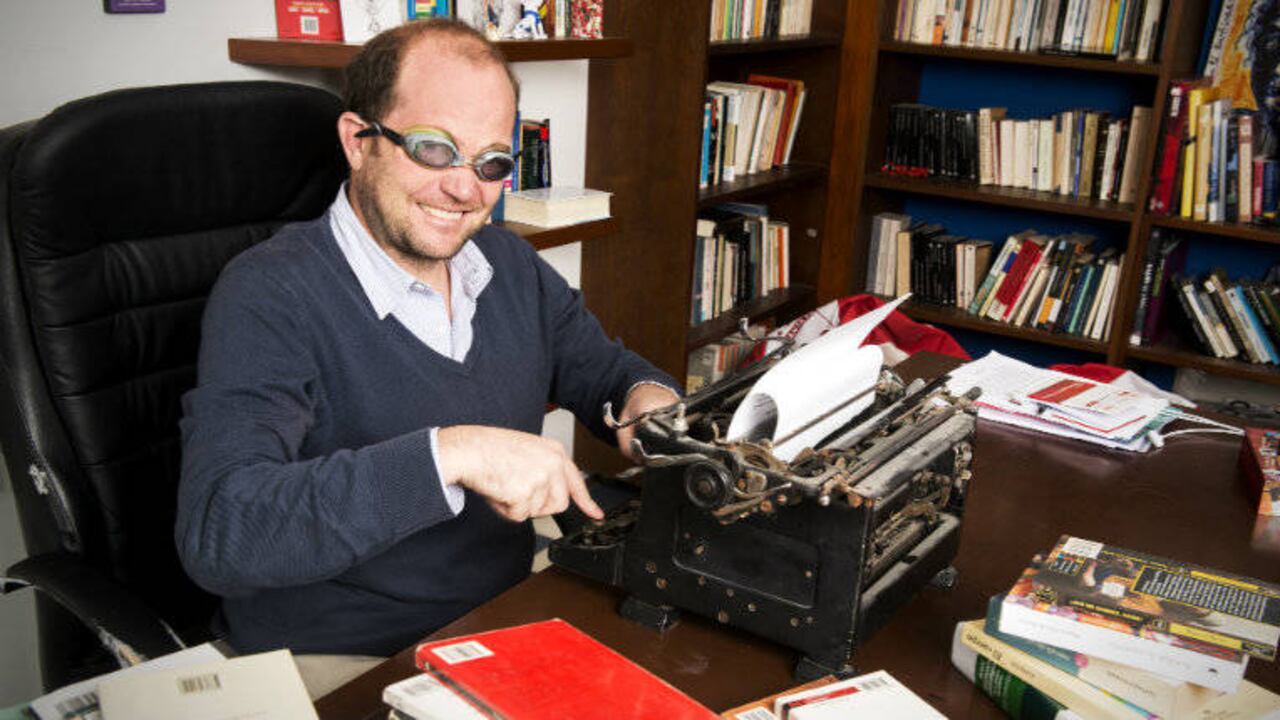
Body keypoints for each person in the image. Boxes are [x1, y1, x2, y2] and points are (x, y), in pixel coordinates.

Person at [175, 18, 679, 693]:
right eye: (435, 149)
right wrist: (452, 454)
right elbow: (221, 529)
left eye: (492, 161)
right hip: (346, 653)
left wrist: (649, 401)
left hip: (500, 615)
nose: (466, 190)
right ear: (359, 141)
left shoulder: (508, 265)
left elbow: (608, 373)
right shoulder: (270, 292)